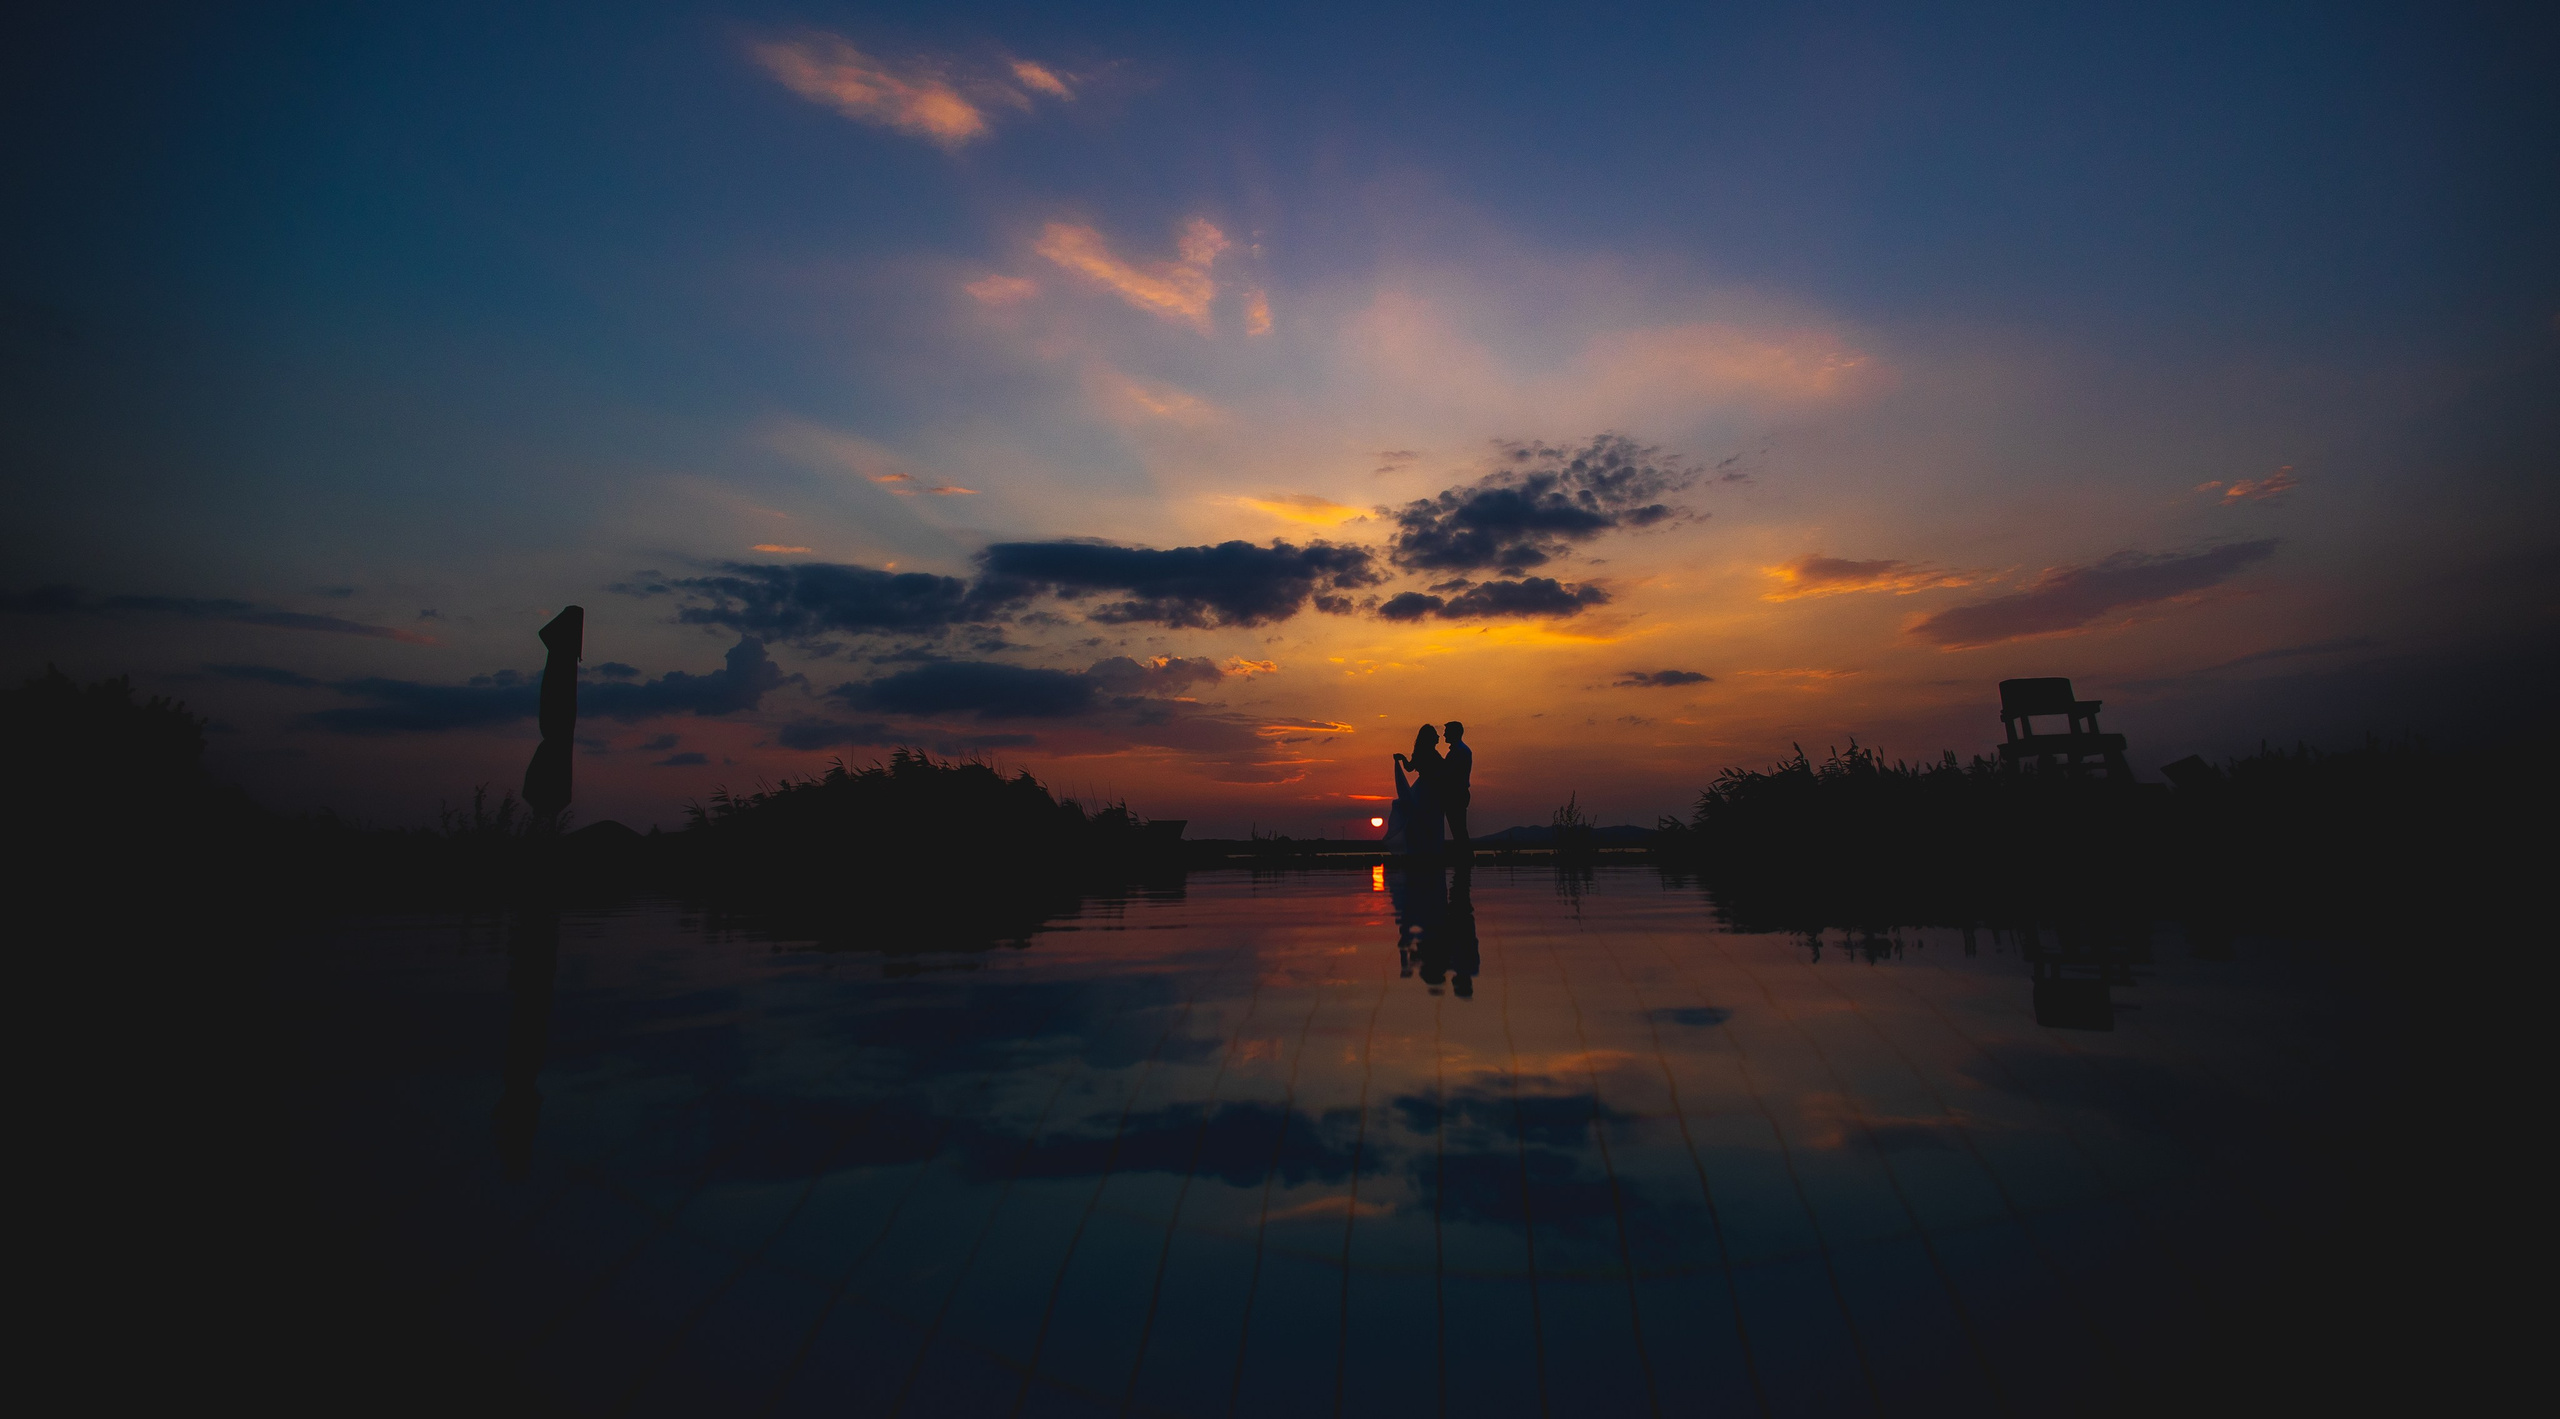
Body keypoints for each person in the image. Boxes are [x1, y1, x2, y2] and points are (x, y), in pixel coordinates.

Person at [1391, 724, 1445, 858]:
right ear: (1430, 738)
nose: (1438, 737)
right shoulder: (1431, 753)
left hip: (1423, 789)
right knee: (1430, 820)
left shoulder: (1421, 752)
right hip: (1430, 790)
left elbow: (1409, 767)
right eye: (1435, 735)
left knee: (1421, 820)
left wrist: (1403, 759)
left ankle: (1424, 850)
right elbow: (1442, 768)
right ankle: (1431, 850)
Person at [1441, 721, 1472, 855]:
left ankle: (1464, 857)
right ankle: (1464, 857)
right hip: (1457, 793)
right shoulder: (1459, 750)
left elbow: (1450, 773)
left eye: (1447, 732)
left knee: (1458, 829)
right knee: (1458, 829)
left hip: (1456, 794)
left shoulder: (1460, 751)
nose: (1444, 735)